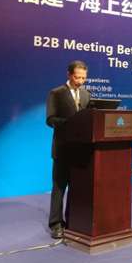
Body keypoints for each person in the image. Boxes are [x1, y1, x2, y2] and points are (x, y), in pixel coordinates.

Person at [45, 60, 90, 239]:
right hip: (62, 149)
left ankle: (72, 221)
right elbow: (50, 119)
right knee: (59, 187)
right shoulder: (56, 93)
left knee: (76, 188)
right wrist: (70, 123)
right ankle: (56, 224)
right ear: (69, 75)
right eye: (77, 77)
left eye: (83, 78)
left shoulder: (86, 94)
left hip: (80, 150)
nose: (80, 81)